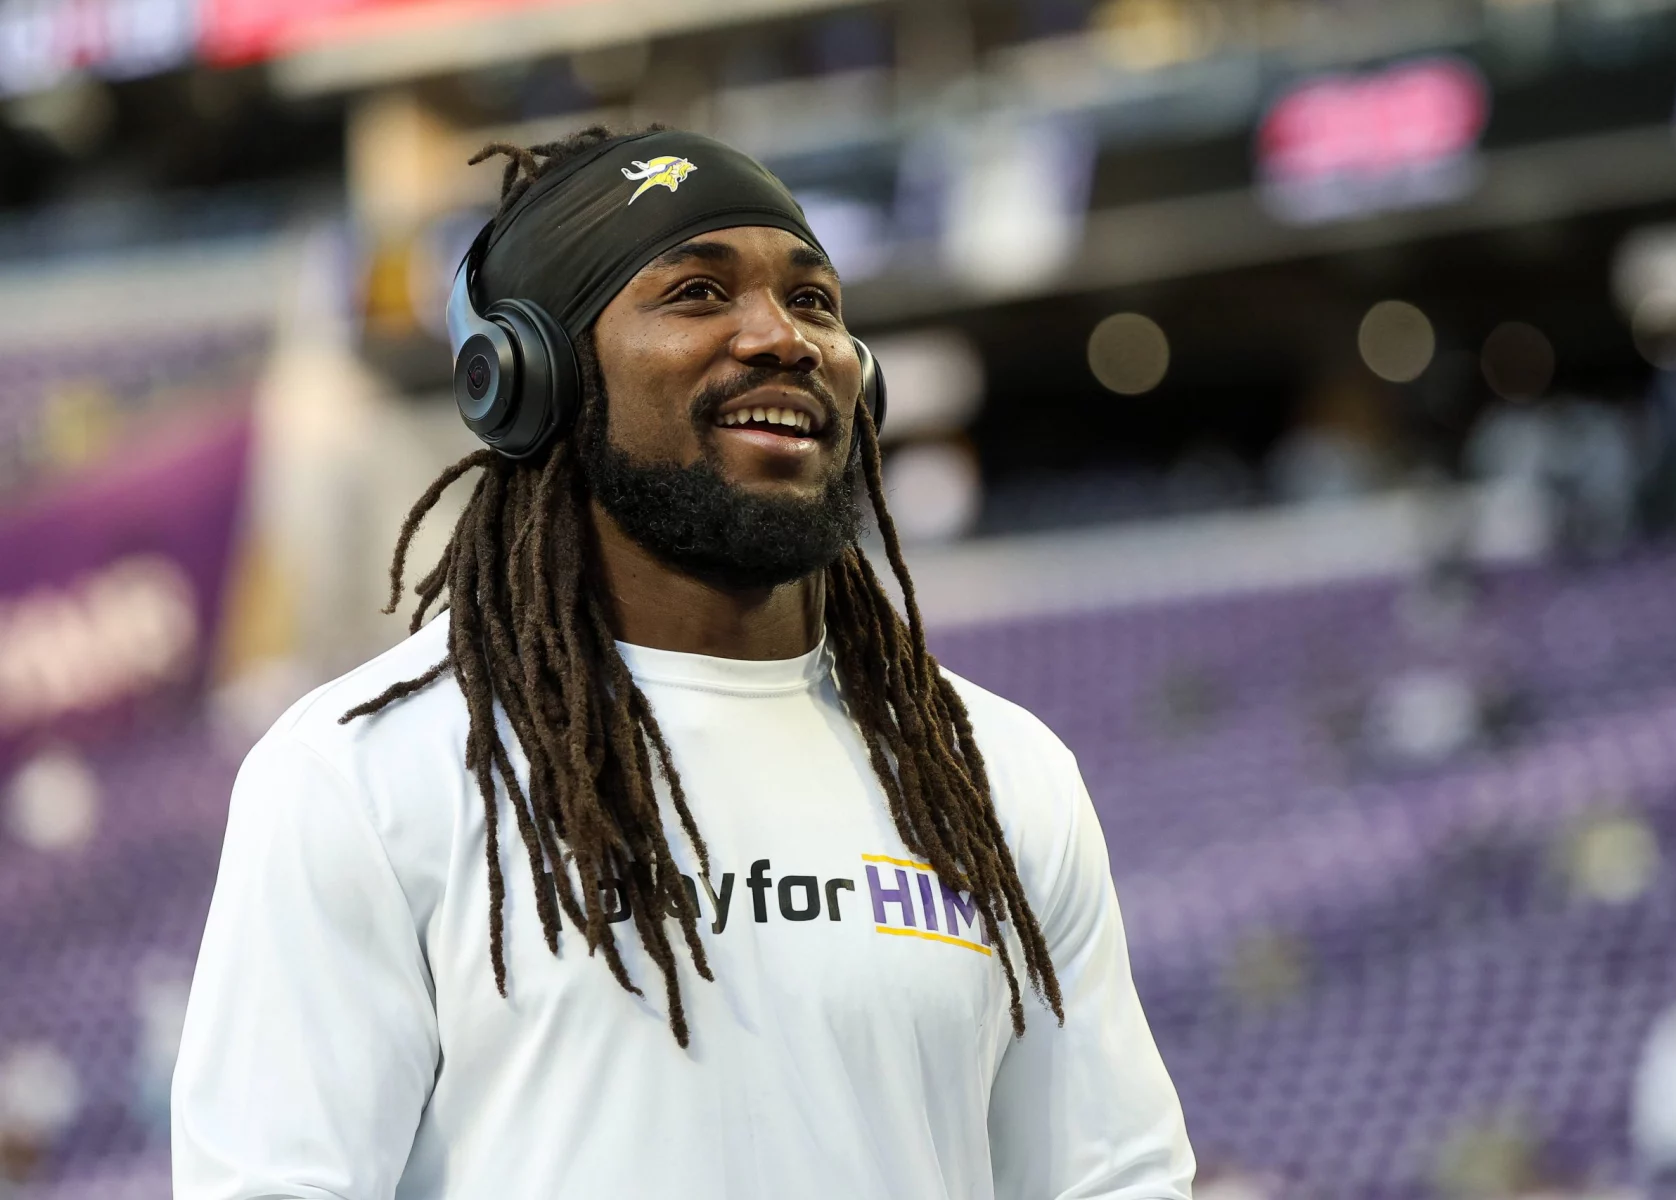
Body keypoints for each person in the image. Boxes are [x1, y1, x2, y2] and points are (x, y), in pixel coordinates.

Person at [170, 126, 1195, 1199]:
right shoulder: (366, 775)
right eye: (700, 293)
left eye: (814, 302)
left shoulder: (994, 770)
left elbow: (1112, 1179)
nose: (783, 337)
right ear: (534, 381)